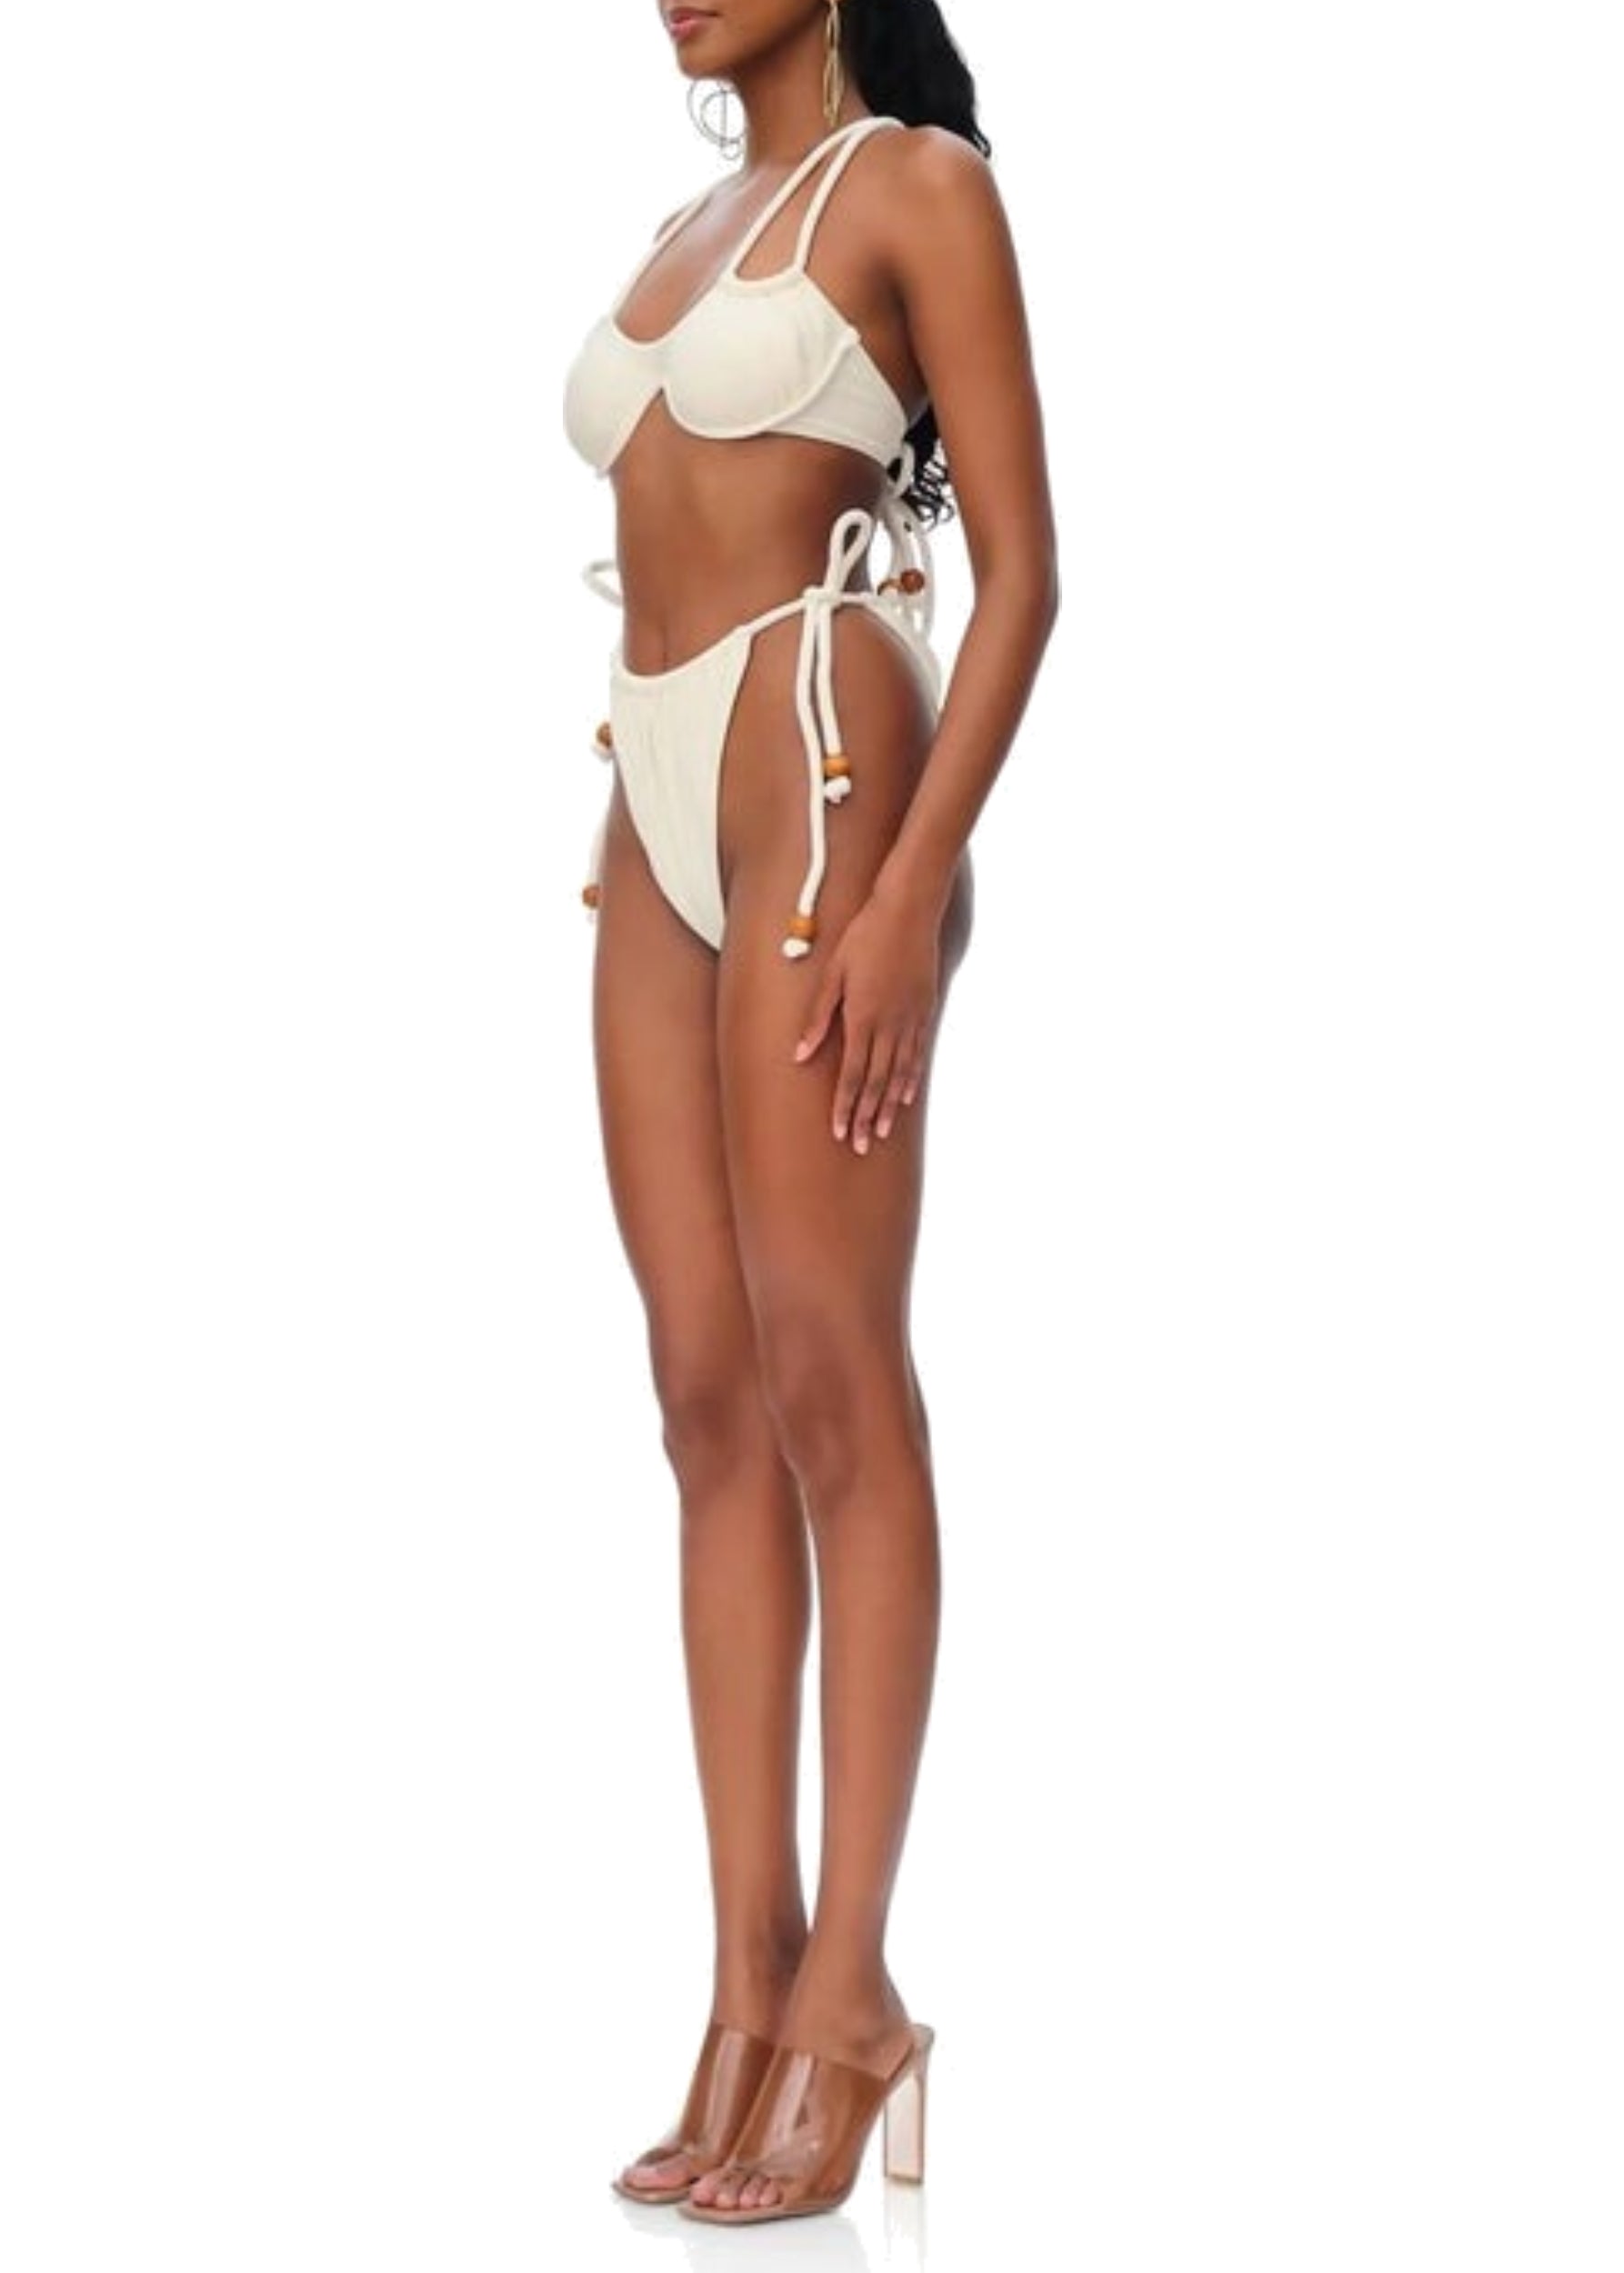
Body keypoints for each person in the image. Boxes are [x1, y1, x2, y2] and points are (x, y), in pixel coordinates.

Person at [561, 0, 1058, 2227]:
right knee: (699, 1393)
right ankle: (743, 1970)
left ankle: (853, 1991)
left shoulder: (918, 191)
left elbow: (1025, 575)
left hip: (825, 758)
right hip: (647, 773)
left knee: (831, 1370)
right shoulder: (686, 223)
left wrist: (906, 901)